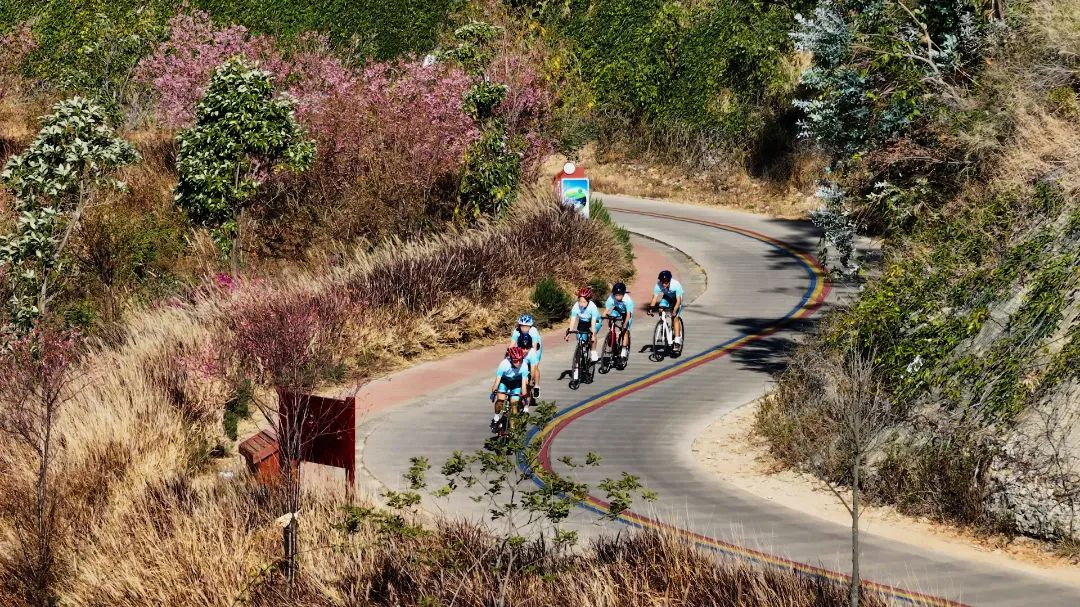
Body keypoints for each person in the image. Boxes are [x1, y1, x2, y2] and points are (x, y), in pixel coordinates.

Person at [490, 346, 530, 432]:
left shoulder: (524, 365)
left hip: (516, 384)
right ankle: (496, 418)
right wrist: (493, 392)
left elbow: (523, 385)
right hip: (504, 382)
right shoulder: (504, 364)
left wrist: (525, 397)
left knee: (514, 405)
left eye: (521, 360)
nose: (518, 363)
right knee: (500, 401)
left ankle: (513, 429)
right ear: (511, 359)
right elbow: (497, 381)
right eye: (516, 360)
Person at [647, 269, 684, 352]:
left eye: (666, 282)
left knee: (675, 317)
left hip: (676, 299)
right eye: (662, 282)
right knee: (661, 307)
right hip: (667, 297)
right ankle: (663, 323)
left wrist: (674, 310)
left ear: (669, 281)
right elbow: (654, 298)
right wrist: (651, 309)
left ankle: (677, 341)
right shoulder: (658, 285)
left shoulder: (676, 285)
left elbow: (678, 301)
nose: (664, 284)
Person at [565, 286, 600, 361]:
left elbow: (593, 323)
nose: (581, 304)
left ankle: (593, 351)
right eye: (580, 301)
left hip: (594, 322)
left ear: (588, 301)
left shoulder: (592, 307)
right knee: (580, 339)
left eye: (584, 302)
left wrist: (593, 335)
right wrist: (569, 332)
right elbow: (573, 321)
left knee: (592, 334)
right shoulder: (576, 306)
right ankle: (583, 352)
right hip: (583, 322)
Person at [510, 314, 542, 395]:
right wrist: (508, 356)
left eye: (527, 326)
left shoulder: (533, 331)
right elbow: (512, 345)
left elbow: (534, 347)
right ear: (519, 325)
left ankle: (537, 386)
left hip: (535, 347)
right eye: (522, 326)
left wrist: (532, 359)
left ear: (530, 326)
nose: (524, 328)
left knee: (535, 366)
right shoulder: (516, 331)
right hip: (523, 347)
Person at [601, 281, 634, 359]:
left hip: (626, 313)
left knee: (624, 331)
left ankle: (624, 350)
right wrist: (601, 319)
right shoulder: (611, 298)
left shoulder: (628, 300)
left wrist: (625, 325)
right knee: (610, 317)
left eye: (619, 295)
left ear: (623, 294)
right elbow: (606, 311)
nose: (617, 297)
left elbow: (628, 315)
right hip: (617, 310)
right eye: (616, 295)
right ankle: (612, 333)